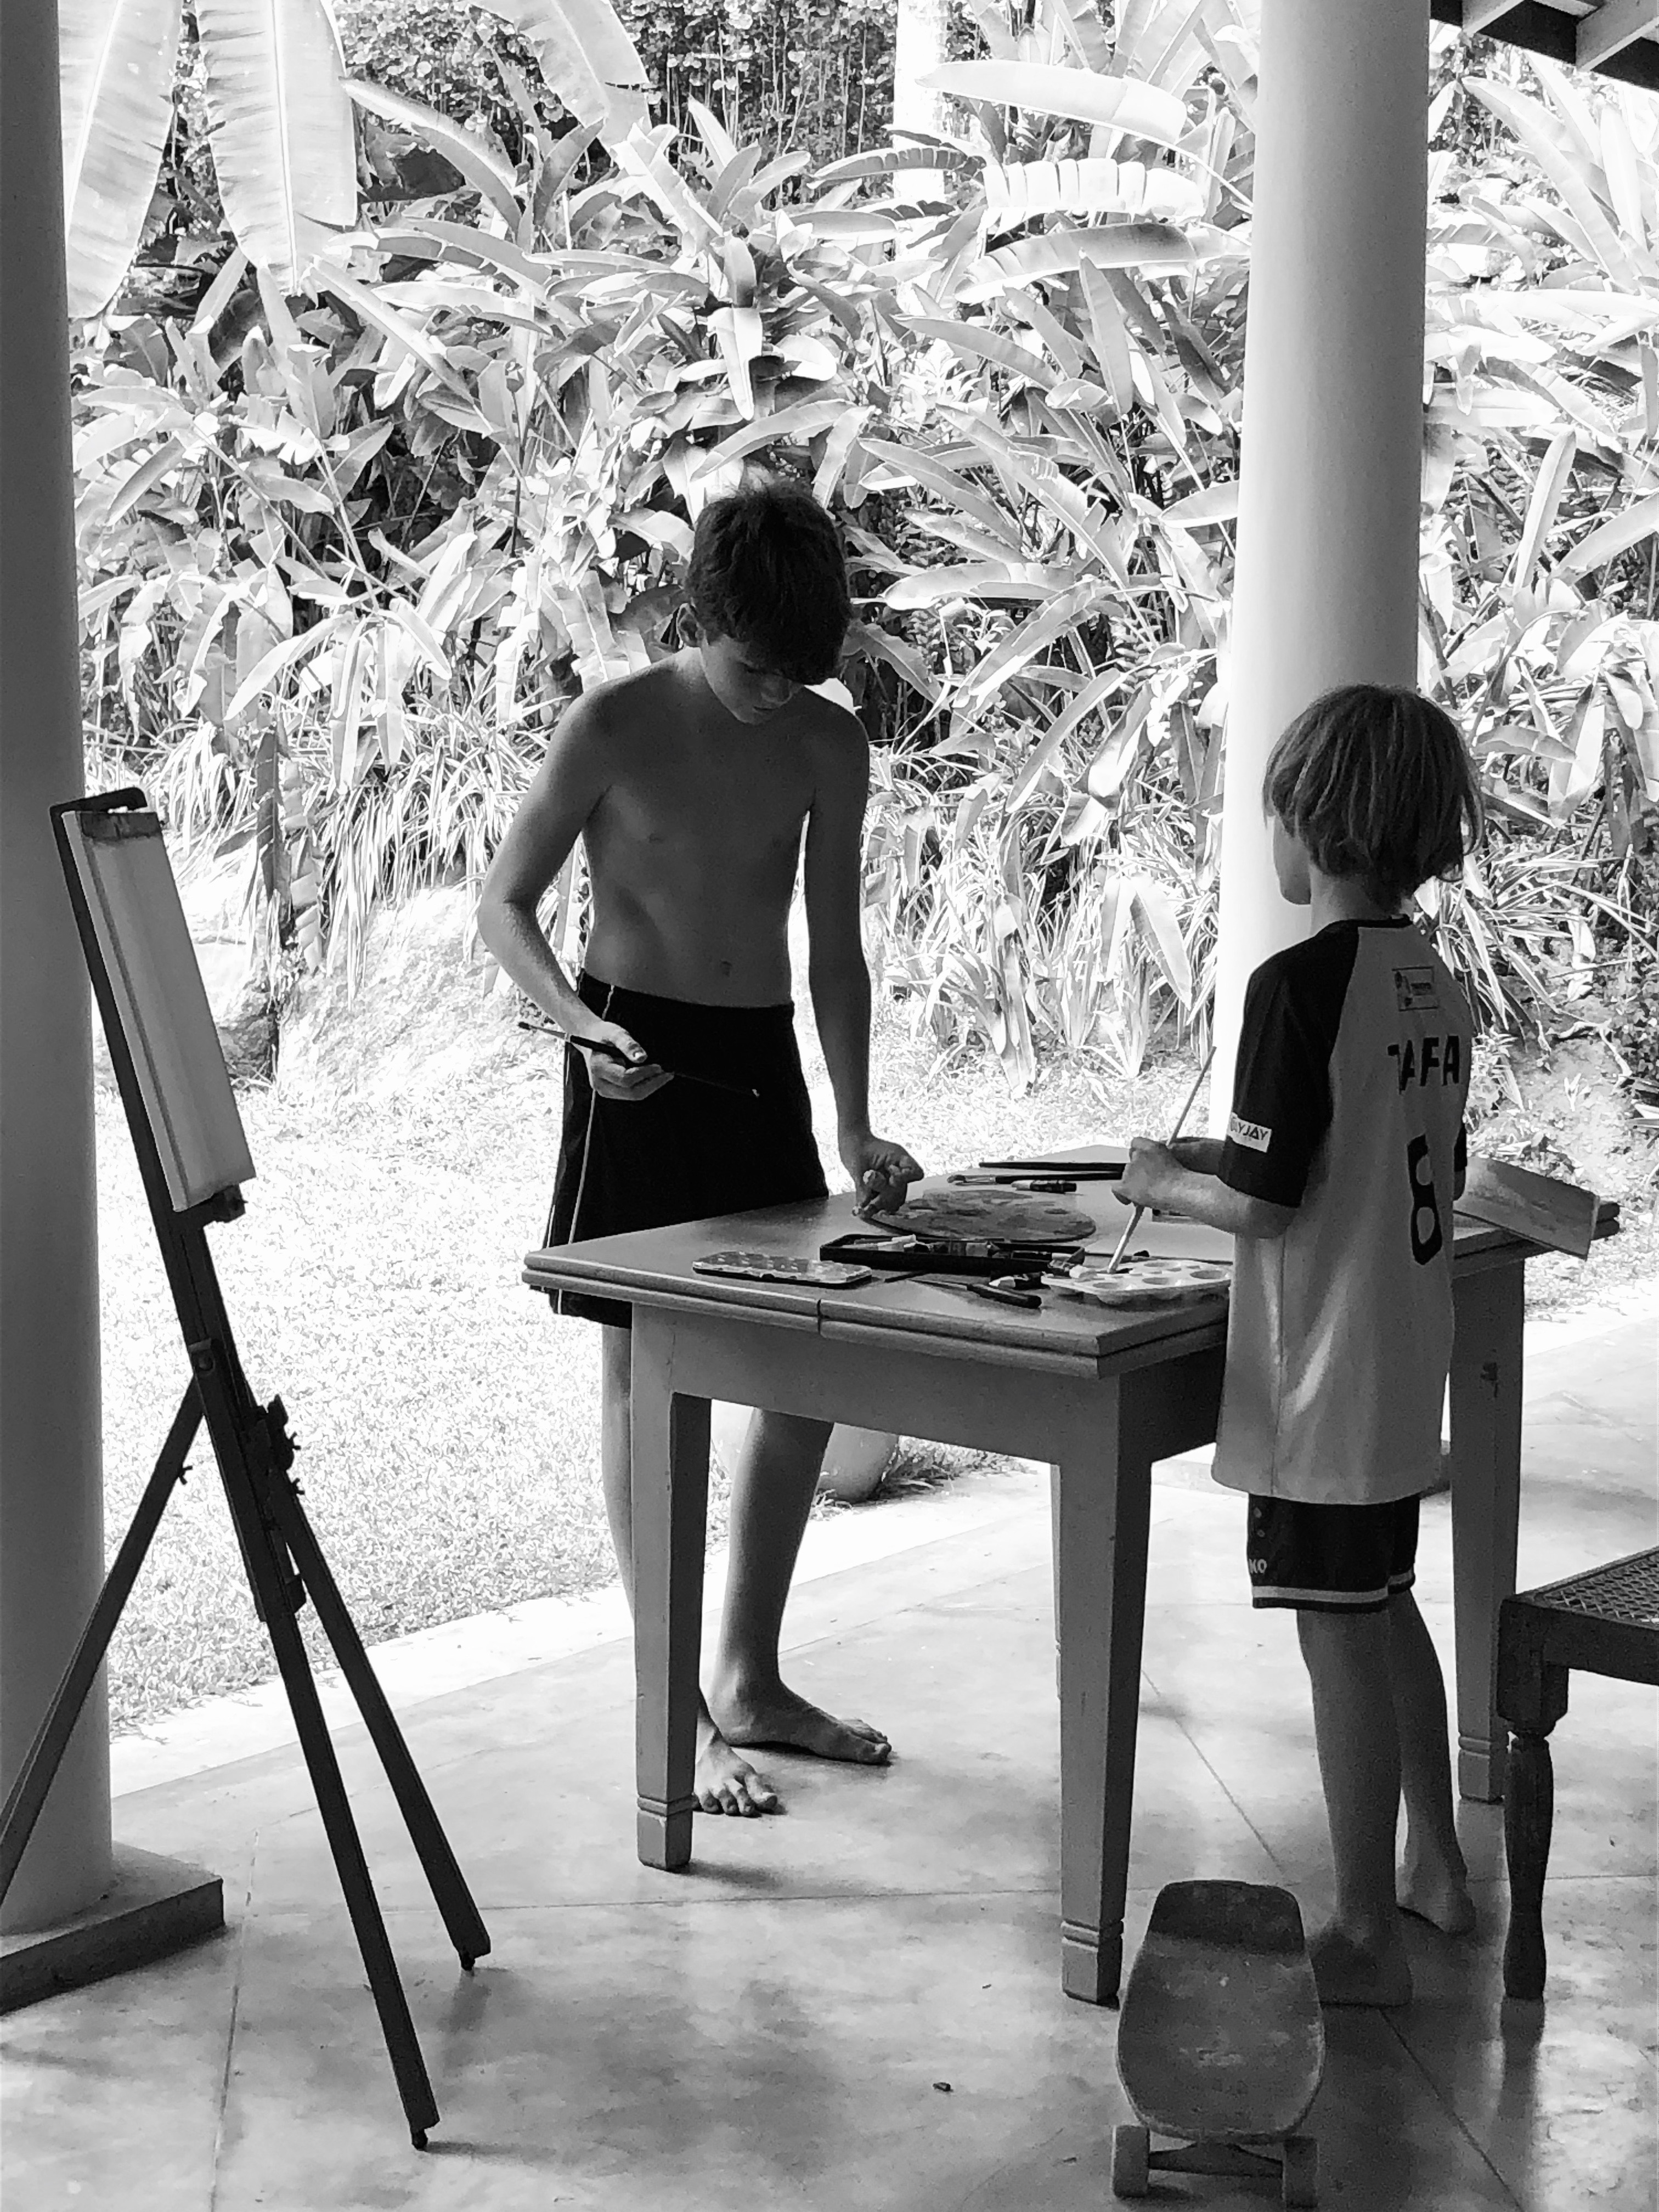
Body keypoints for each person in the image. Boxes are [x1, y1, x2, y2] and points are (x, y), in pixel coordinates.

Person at [478, 474, 922, 1821]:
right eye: (755, 665)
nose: (776, 691)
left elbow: (834, 951)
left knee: (801, 1371)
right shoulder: (614, 722)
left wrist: (853, 1120)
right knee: (645, 1382)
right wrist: (579, 1031)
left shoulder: (826, 744)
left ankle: (750, 1674)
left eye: (800, 671)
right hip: (633, 1056)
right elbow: (505, 905)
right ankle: (674, 1705)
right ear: (700, 614)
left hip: (758, 1060)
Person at [1115, 684, 1483, 2007]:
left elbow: (1266, 1205)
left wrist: (1162, 1178)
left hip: (1322, 1377)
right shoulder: (1434, 983)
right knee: (1385, 1606)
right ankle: (1437, 1866)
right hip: (1399, 1356)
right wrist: (1224, 1158)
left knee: (1336, 1633)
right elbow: (1364, 1154)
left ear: (1311, 826)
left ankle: (1364, 1931)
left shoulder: (1296, 987)